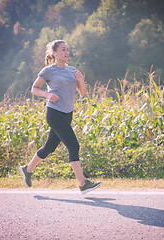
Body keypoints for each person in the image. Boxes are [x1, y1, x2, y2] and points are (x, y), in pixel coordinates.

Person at [20, 40, 101, 194]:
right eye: (63, 49)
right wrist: (47, 94)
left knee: (50, 147)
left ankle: (27, 169)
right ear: (54, 53)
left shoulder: (72, 70)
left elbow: (82, 93)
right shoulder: (48, 71)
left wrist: (81, 80)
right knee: (73, 145)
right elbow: (34, 89)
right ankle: (83, 183)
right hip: (54, 113)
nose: (66, 52)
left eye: (67, 49)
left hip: (67, 113)